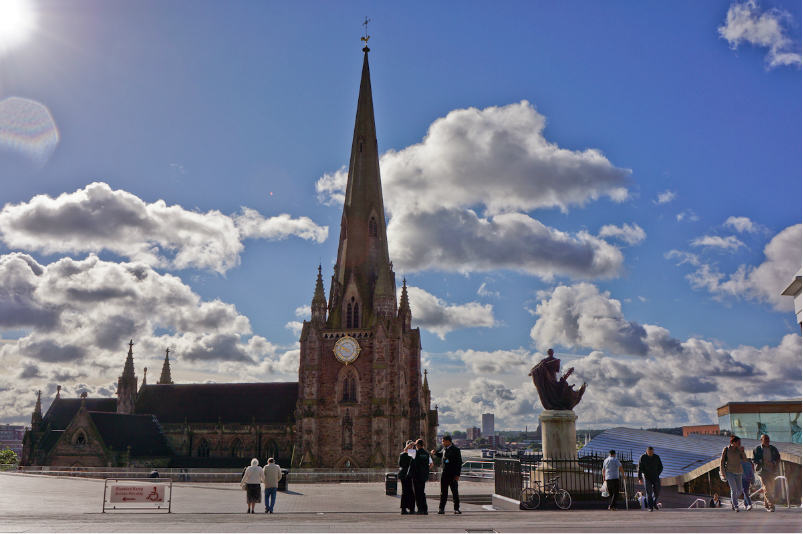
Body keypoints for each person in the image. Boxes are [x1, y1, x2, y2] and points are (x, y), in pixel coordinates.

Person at [432, 435, 462, 515]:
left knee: (454, 492)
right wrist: (435, 453)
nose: (442, 443)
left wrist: (458, 474)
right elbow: (441, 455)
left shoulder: (456, 450)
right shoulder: (444, 450)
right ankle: (441, 508)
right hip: (444, 473)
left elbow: (459, 463)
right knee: (443, 492)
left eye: (443, 441)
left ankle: (456, 508)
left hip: (452, 474)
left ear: (447, 441)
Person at [752, 434, 780, 513]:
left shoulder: (773, 449)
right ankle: (772, 506)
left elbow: (778, 457)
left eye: (768, 438)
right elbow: (753, 460)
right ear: (761, 440)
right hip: (762, 471)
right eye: (765, 438)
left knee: (770, 489)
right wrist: (762, 461)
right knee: (767, 488)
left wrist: (773, 463)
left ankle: (766, 504)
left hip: (771, 471)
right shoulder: (757, 449)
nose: (767, 440)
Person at [720, 435, 748, 512]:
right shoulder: (726, 449)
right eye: (738, 443)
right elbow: (722, 461)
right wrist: (722, 471)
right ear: (734, 442)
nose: (740, 444)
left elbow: (745, 460)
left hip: (738, 471)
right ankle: (736, 506)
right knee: (733, 489)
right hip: (730, 471)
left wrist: (742, 452)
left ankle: (733, 500)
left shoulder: (739, 450)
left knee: (739, 490)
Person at [410, 439, 433, 515]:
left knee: (417, 493)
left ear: (417, 445)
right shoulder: (426, 454)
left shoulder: (415, 453)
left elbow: (405, 450)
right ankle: (425, 509)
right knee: (422, 492)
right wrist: (425, 469)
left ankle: (420, 509)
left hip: (416, 475)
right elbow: (431, 464)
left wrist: (411, 444)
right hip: (424, 475)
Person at [637, 446, 663, 512]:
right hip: (647, 477)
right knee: (649, 492)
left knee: (657, 489)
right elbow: (640, 468)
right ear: (647, 452)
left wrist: (657, 473)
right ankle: (650, 507)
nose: (651, 454)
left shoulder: (656, 457)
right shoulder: (643, 457)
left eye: (652, 452)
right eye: (650, 453)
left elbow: (661, 466)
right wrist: (640, 478)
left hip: (655, 476)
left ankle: (654, 502)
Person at [399, 441, 416, 515]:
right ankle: (410, 509)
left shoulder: (404, 454)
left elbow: (400, 464)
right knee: (409, 492)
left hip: (405, 475)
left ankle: (404, 508)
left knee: (406, 492)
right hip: (408, 475)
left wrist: (407, 448)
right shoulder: (408, 454)